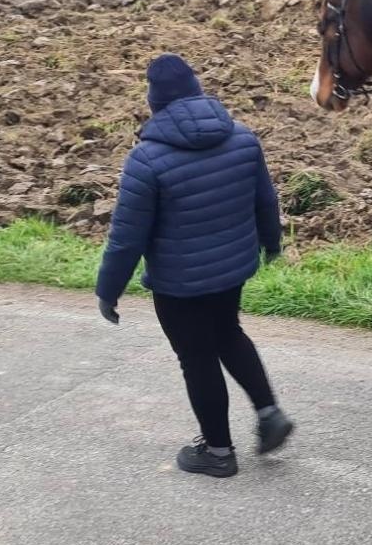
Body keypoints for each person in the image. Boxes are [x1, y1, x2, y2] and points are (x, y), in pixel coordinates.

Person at [96, 54, 294, 476]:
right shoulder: (242, 139)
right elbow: (266, 201)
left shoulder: (145, 160)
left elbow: (126, 238)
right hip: (232, 269)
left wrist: (108, 289)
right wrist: (271, 243)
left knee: (197, 358)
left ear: (154, 102)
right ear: (197, 91)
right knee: (229, 333)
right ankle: (268, 411)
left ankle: (218, 453)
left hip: (179, 285)